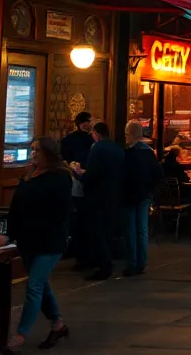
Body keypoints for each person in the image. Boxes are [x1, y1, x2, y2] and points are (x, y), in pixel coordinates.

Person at [4, 136, 73, 353]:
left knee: (33, 286)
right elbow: (15, 207)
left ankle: (21, 334)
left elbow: (61, 211)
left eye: (37, 150)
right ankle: (58, 324)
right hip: (28, 240)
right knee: (41, 285)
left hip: (50, 241)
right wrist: (10, 234)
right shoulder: (28, 177)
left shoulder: (61, 178)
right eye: (32, 149)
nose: (32, 154)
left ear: (48, 154)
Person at [75, 122, 125, 280]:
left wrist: (78, 173)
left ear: (96, 133)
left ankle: (103, 265)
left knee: (97, 231)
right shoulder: (118, 148)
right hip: (113, 195)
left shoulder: (97, 148)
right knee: (107, 230)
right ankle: (107, 261)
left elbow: (91, 175)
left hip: (97, 196)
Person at [122, 122, 161, 277]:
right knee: (142, 229)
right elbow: (158, 174)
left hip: (130, 195)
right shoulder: (149, 153)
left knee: (130, 230)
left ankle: (133, 262)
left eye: (126, 136)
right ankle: (142, 261)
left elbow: (124, 175)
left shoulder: (128, 154)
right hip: (145, 195)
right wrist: (150, 189)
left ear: (131, 136)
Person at [60, 111, 93, 266]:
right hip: (77, 179)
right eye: (86, 121)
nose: (88, 124)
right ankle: (78, 251)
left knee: (78, 218)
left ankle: (79, 251)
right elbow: (64, 158)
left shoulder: (86, 139)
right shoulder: (83, 139)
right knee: (79, 217)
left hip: (82, 179)